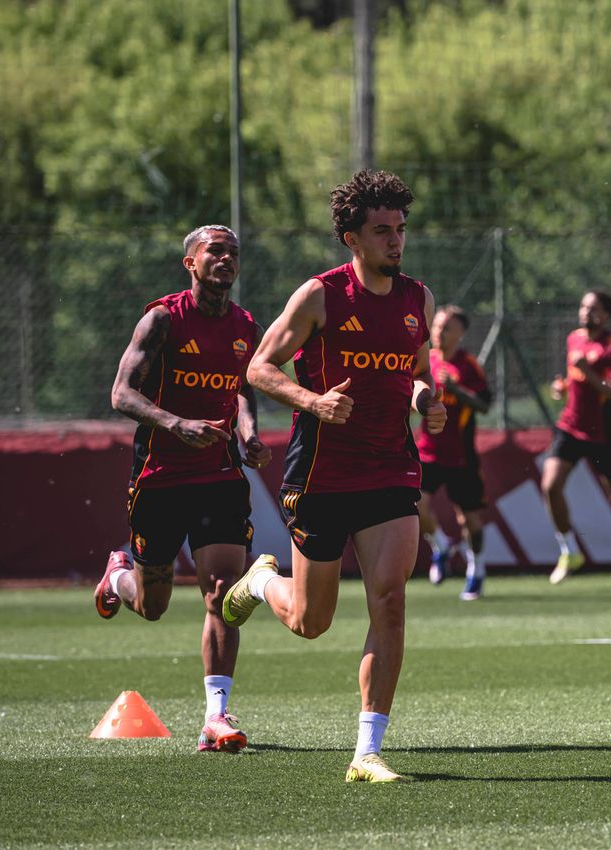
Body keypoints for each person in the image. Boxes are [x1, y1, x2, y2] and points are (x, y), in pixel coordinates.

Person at [223, 169, 447, 783]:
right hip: (320, 473)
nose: (395, 241)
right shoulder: (320, 296)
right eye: (382, 231)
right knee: (310, 622)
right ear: (352, 237)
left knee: (391, 599)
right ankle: (263, 583)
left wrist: (426, 398)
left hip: (390, 468)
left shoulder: (418, 299)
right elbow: (260, 370)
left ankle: (367, 752)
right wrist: (312, 401)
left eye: (400, 229)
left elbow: (417, 370)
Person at [96, 224, 271, 754]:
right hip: (160, 478)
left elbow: (242, 389)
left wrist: (248, 433)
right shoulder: (163, 320)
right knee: (153, 605)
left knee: (222, 593)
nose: (225, 259)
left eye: (233, 253)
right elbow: (120, 394)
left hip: (219, 477)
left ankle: (216, 717)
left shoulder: (246, 326)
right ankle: (118, 576)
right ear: (190, 263)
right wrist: (175, 425)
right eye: (214, 251)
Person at [542, 290, 611, 585]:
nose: (585, 312)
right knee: (551, 485)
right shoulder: (574, 338)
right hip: (570, 426)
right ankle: (569, 550)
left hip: (603, 431)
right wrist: (562, 386)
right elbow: (573, 376)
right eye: (583, 306)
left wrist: (587, 373)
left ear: (606, 315)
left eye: (593, 308)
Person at [415, 304, 493, 600]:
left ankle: (477, 568)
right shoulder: (426, 360)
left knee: (469, 520)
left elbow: (485, 405)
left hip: (462, 456)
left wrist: (457, 390)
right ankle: (441, 545)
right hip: (428, 452)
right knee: (415, 507)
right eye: (436, 326)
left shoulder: (468, 365)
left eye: (447, 328)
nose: (439, 332)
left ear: (460, 333)